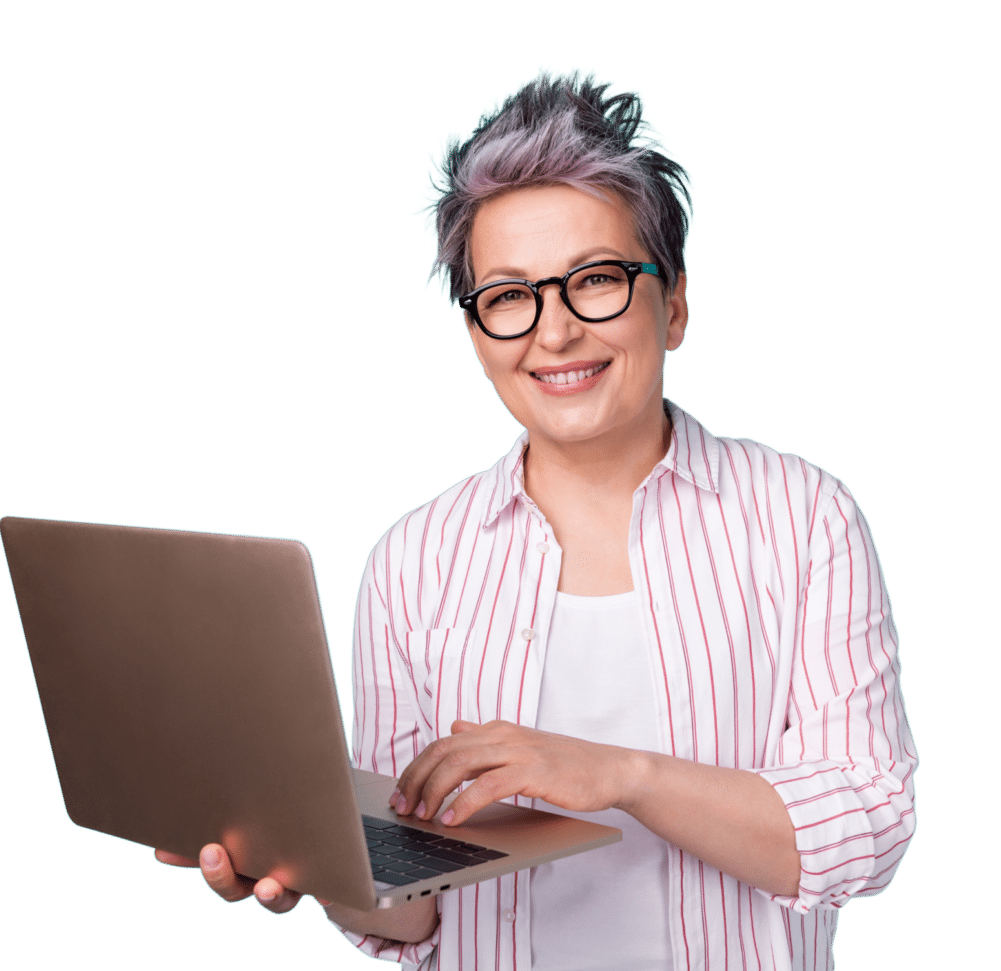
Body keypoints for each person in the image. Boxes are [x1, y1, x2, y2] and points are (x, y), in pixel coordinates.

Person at [157, 64, 918, 970]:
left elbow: (867, 828)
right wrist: (304, 853)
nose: (553, 334)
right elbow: (415, 910)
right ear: (478, 334)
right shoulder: (415, 560)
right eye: (510, 297)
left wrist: (621, 775)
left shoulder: (805, 519)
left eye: (594, 279)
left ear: (672, 302)